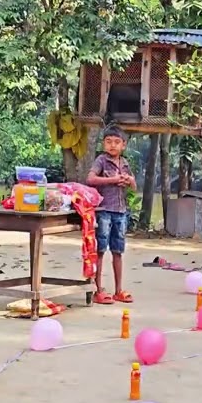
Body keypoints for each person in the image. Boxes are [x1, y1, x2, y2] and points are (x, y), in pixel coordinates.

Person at [86, 126, 135, 304]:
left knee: (118, 251)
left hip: (120, 212)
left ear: (124, 145)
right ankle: (98, 290)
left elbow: (134, 186)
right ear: (103, 144)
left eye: (116, 142)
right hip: (104, 211)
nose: (112, 145)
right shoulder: (101, 160)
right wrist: (112, 180)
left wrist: (129, 180)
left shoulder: (125, 163)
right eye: (108, 142)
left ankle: (118, 290)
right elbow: (90, 179)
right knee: (100, 251)